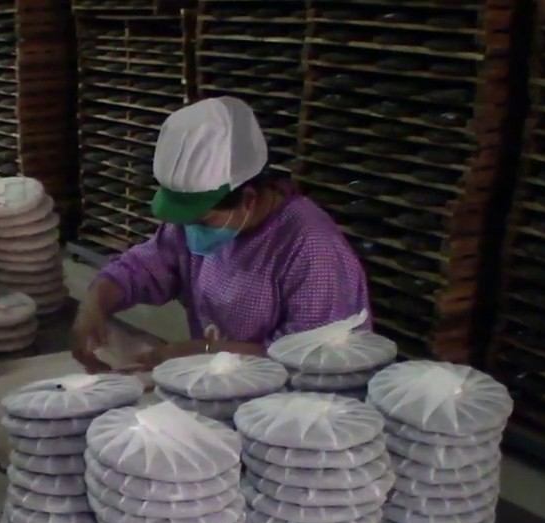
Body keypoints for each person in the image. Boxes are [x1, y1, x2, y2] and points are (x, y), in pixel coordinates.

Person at [72, 96, 371, 372]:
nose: (190, 231)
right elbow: (146, 267)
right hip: (226, 390)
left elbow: (313, 358)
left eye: (202, 220)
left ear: (249, 199)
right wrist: (95, 301)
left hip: (300, 412)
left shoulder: (310, 248)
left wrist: (205, 351)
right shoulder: (193, 225)